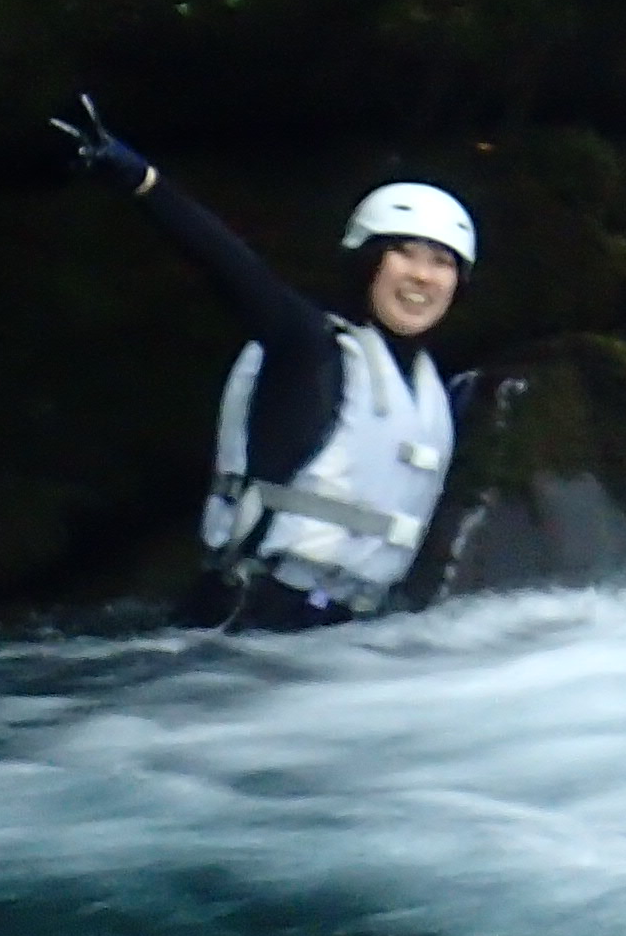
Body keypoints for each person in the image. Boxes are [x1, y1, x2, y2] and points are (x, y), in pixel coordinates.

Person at [54, 96, 477, 630]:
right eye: (404, 253)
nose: (422, 275)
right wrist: (141, 181)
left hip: (344, 632)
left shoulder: (434, 393)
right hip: (249, 620)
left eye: (442, 262)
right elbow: (231, 266)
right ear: (366, 261)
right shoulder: (309, 349)